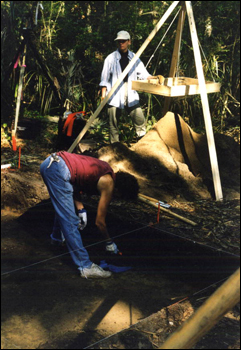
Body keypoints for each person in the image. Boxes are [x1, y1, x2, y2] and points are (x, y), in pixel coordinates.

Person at [40, 151, 139, 279]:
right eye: (120, 196)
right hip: (57, 169)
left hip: (52, 163)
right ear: (119, 190)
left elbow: (74, 181)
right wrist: (109, 242)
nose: (116, 198)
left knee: (64, 209)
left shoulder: (103, 170)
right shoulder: (109, 184)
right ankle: (85, 266)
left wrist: (80, 208)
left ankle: (57, 239)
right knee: (70, 220)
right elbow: (99, 222)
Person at [99, 30, 154, 143]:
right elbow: (104, 79)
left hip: (130, 91)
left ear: (129, 42)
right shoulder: (110, 58)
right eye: (119, 41)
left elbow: (144, 73)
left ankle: (142, 143)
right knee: (113, 123)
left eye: (123, 41)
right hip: (114, 93)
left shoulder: (134, 57)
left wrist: (154, 78)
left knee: (139, 119)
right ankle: (115, 147)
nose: (121, 43)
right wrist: (103, 96)